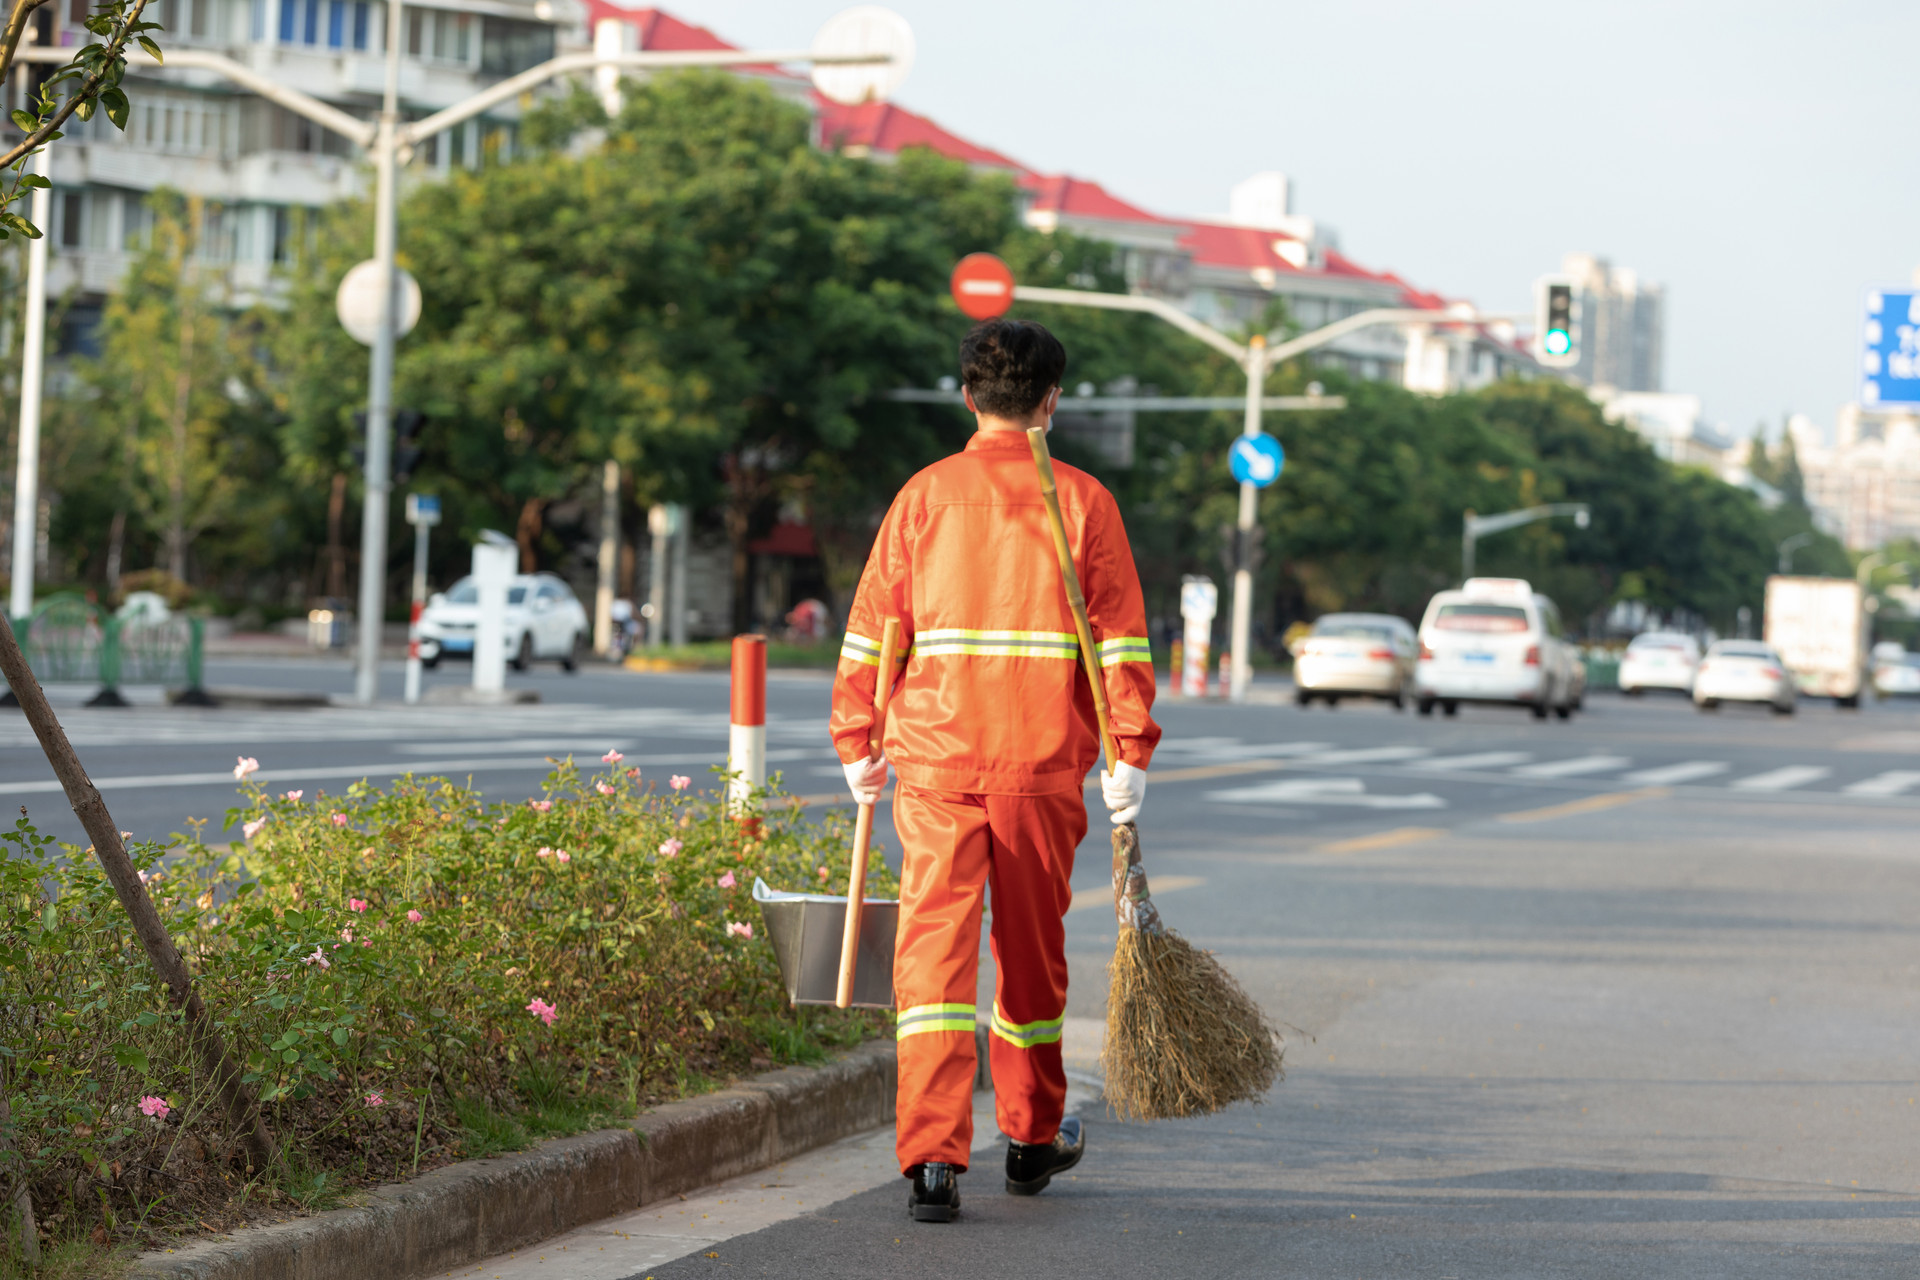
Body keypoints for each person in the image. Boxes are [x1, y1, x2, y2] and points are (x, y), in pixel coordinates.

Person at [829, 318, 1161, 1223]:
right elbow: (1120, 643)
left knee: (932, 962)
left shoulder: (923, 497)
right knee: (1030, 959)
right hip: (1040, 763)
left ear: (968, 396)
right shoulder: (1084, 503)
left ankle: (931, 1162)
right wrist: (1129, 752)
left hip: (935, 765)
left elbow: (872, 630)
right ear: (1051, 400)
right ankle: (1028, 1137)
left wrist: (857, 741)